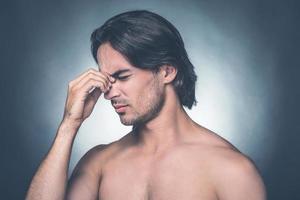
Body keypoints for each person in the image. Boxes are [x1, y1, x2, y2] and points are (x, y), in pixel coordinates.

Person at [26, 10, 266, 200]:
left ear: (167, 71)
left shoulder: (231, 170)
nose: (109, 93)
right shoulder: (98, 163)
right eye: (106, 80)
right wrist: (69, 125)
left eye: (122, 77)